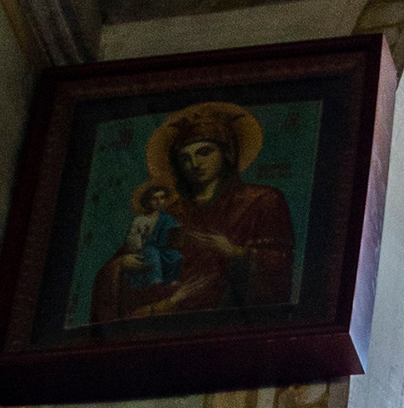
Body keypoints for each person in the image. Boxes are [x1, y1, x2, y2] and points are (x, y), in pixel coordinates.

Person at [90, 105, 293, 329]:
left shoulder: (262, 200)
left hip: (226, 326)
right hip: (166, 320)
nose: (195, 164)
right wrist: (121, 264)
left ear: (227, 153)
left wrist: (236, 253)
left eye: (205, 152)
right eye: (185, 158)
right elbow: (121, 264)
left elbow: (278, 267)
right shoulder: (171, 212)